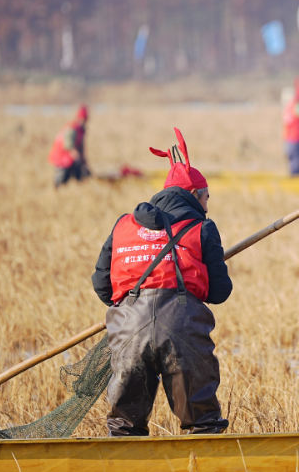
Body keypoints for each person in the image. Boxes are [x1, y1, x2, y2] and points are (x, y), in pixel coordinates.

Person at [91, 128, 233, 436]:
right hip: (182, 326)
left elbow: (103, 287)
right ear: (195, 195)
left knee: (124, 427)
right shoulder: (203, 228)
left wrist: (134, 305)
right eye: (207, 197)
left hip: (128, 326)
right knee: (203, 424)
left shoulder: (122, 225)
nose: (208, 205)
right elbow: (221, 292)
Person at [48, 104, 90, 187]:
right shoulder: (72, 128)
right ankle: (56, 192)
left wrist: (84, 163)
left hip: (69, 160)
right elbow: (69, 146)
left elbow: (80, 149)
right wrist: (78, 159)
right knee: (61, 180)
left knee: (81, 176)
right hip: (62, 159)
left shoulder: (80, 130)